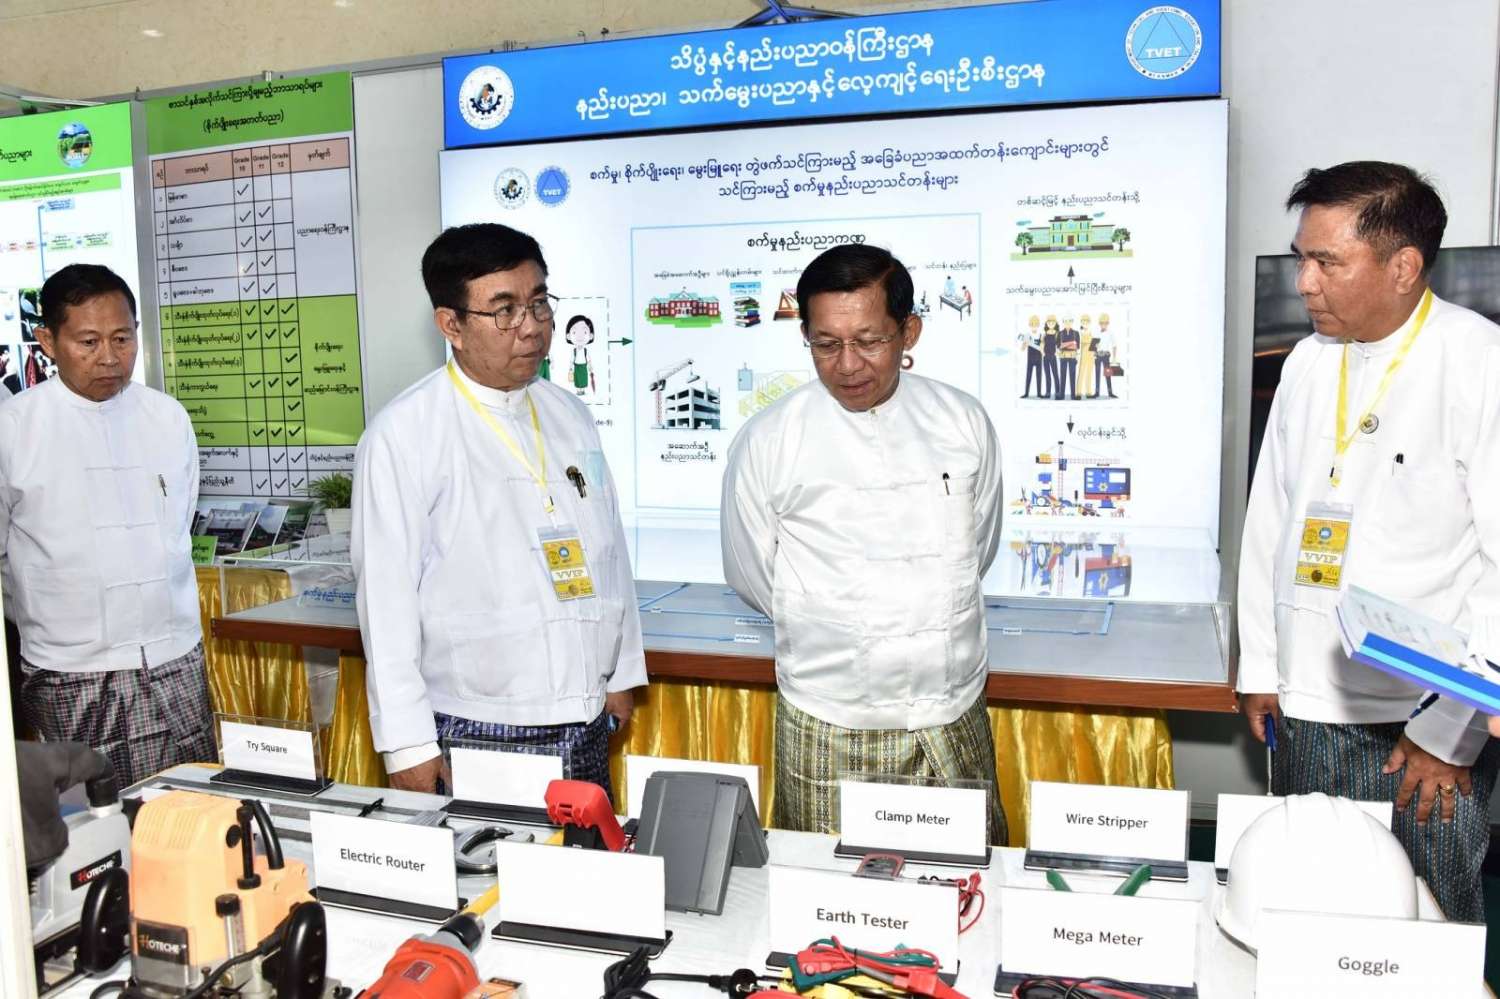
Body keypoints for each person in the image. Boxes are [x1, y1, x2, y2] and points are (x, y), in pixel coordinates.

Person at [1239, 161, 1500, 922]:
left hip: (1416, 727)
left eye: (1327, 262)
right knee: (1302, 916)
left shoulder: (1478, 363)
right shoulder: (1306, 361)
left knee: (1421, 933)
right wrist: (1262, 665)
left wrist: (1449, 734)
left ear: (1403, 267)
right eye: (1301, 259)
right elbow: (1270, 519)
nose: (1305, 283)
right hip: (1305, 706)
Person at [721, 243, 1007, 844]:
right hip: (829, 716)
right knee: (828, 889)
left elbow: (977, 546)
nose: (847, 364)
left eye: (869, 341)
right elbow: (753, 575)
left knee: (965, 879)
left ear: (909, 332)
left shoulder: (963, 422)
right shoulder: (769, 439)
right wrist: (836, 622)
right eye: (826, 344)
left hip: (950, 708)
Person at [353, 223, 645, 794]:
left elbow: (609, 552)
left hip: (586, 713)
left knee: (587, 852)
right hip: (476, 720)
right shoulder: (403, 434)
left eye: (539, 303)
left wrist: (621, 672)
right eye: (505, 311)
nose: (531, 327)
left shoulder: (569, 414)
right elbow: (385, 605)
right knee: (492, 857)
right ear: (451, 325)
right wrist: (408, 746)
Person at [0, 264, 213, 787]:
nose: (110, 357)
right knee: (90, 816)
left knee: (186, 807)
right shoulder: (15, 429)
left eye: (122, 338)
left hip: (173, 657)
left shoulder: (168, 417)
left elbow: (180, 520)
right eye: (89, 342)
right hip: (70, 669)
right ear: (47, 341)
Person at [1092, 313, 1117, 398]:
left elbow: (1114, 345)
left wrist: (1114, 358)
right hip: (1098, 355)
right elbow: (1093, 345)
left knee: (1108, 374)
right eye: (1102, 323)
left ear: (1108, 323)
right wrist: (1094, 354)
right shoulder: (1096, 332)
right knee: (1097, 374)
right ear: (1099, 323)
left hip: (1106, 355)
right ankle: (1096, 392)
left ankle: (1110, 393)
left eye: (1105, 323)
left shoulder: (1110, 333)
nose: (1103, 325)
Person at [1018, 314, 1043, 398]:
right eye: (1032, 325)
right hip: (1030, 359)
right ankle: (1026, 393)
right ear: (1030, 325)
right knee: (1028, 376)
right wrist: (1025, 343)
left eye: (1035, 324)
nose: (1034, 327)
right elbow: (1022, 349)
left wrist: (1041, 349)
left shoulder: (1041, 335)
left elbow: (1042, 348)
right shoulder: (1027, 335)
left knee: (1039, 376)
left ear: (1038, 325)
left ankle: (1039, 393)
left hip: (1039, 358)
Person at [1056, 314, 1079, 400]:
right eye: (1065, 321)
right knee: (1063, 376)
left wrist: (1065, 345)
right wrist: (1071, 343)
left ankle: (1073, 395)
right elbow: (1058, 346)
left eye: (1069, 321)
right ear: (1063, 322)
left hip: (1073, 356)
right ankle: (1061, 395)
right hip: (1063, 356)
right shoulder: (1060, 333)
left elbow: (1077, 346)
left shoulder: (1076, 333)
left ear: (1072, 322)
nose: (1067, 323)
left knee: (1073, 376)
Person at [1078, 314, 1096, 399]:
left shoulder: (1091, 332)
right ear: (1081, 322)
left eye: (1087, 322)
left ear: (1089, 323)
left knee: (1089, 373)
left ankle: (1088, 392)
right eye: (1083, 322)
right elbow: (1079, 344)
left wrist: (1095, 347)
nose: (1085, 323)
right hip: (1083, 354)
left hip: (1091, 355)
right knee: (1081, 373)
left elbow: (1094, 344)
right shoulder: (1080, 332)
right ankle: (1078, 393)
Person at [1041, 315, 1059, 399]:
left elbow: (1059, 345)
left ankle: (1057, 392)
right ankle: (1048, 392)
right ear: (1046, 323)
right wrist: (1042, 352)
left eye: (1052, 322)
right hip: (1045, 357)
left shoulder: (1057, 334)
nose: (1051, 324)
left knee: (1055, 375)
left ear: (1055, 323)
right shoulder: (1044, 334)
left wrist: (1058, 352)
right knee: (1047, 375)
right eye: (1049, 322)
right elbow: (1042, 344)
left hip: (1053, 356)